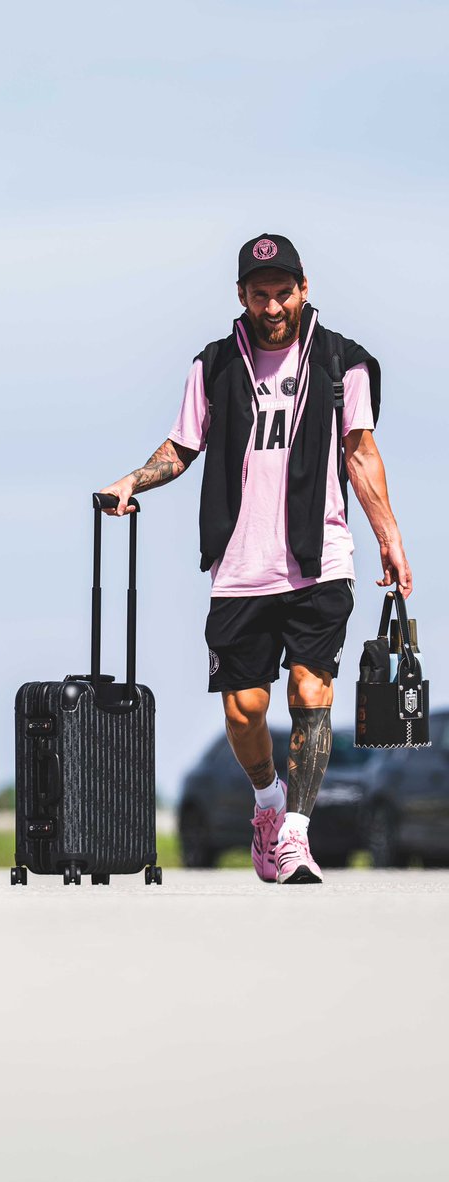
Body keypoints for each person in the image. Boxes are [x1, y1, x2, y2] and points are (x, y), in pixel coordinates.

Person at [100, 233, 411, 884]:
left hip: (319, 559)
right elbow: (182, 447)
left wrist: (389, 536)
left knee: (310, 690)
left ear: (304, 288)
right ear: (241, 295)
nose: (273, 307)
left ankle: (295, 834)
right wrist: (133, 480)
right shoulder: (214, 365)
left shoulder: (344, 363)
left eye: (283, 293)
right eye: (260, 294)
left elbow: (360, 453)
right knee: (244, 710)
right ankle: (268, 805)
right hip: (240, 565)